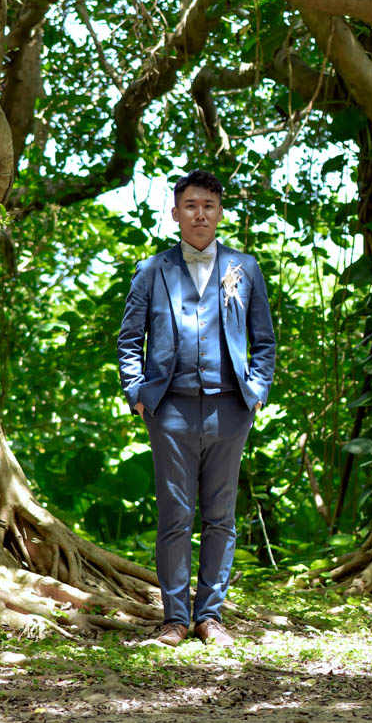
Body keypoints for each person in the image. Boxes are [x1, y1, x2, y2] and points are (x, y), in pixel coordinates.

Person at [117, 170, 276, 647]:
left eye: (208, 205)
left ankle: (210, 617)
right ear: (175, 213)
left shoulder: (244, 268)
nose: (200, 214)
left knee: (221, 515)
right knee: (175, 515)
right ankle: (174, 620)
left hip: (230, 409)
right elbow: (129, 339)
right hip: (169, 410)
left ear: (220, 212)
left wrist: (257, 389)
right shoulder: (152, 270)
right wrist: (137, 393)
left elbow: (264, 340)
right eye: (190, 205)